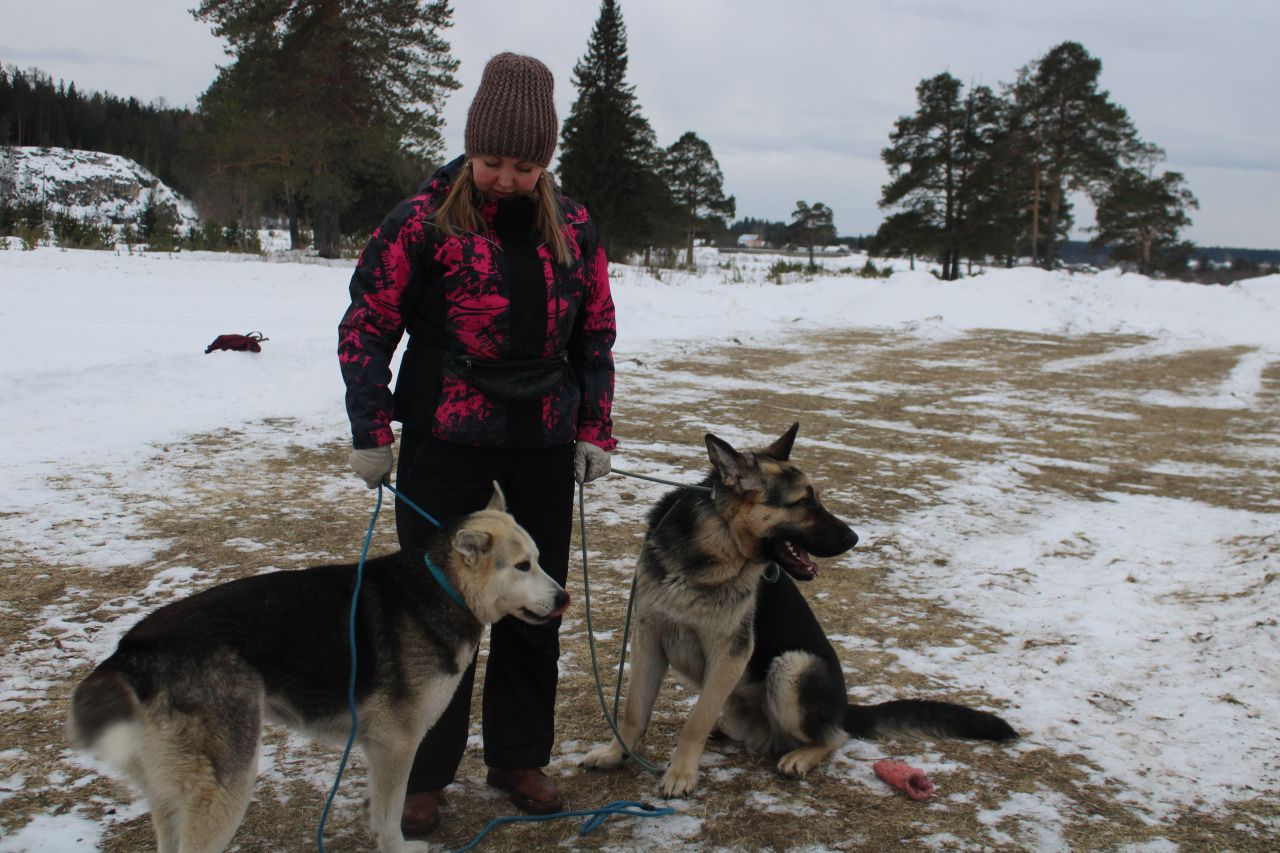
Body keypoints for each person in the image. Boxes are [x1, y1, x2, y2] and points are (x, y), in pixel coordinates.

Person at [337, 52, 616, 838]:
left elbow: (595, 332)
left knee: (536, 603)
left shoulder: (578, 227)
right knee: (434, 611)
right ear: (470, 148)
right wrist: (371, 428)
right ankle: (424, 771)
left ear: (545, 162)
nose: (504, 177)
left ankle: (518, 755)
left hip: (541, 438)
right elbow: (367, 324)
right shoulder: (422, 219)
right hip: (447, 435)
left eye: (524, 166)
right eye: (492, 160)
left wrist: (595, 426)